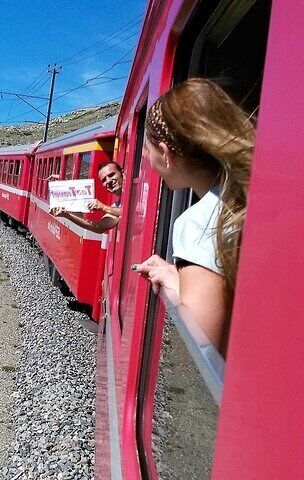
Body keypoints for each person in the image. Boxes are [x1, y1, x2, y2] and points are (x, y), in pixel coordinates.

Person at [132, 78, 255, 356]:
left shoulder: (198, 222)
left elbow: (204, 348)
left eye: (148, 149)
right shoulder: (248, 197)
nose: (147, 157)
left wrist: (175, 283)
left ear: (165, 153)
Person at [49, 161, 123, 233]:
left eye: (111, 175)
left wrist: (104, 207)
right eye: (104, 180)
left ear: (122, 173)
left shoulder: (134, 195)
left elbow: (130, 212)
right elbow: (100, 227)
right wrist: (67, 215)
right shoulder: (117, 205)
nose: (108, 181)